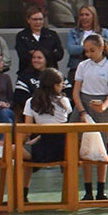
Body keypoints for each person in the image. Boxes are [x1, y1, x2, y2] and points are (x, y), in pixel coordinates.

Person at [72, 34, 108, 202]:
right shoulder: (83, 66)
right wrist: (82, 112)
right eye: (86, 51)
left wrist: (104, 106)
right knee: (85, 149)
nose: (89, 54)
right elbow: (76, 92)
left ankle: (101, 189)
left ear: (101, 48)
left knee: (101, 151)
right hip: (84, 106)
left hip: (102, 106)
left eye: (92, 50)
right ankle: (88, 190)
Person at [20, 68, 73, 201]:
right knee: (24, 152)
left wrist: (19, 143)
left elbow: (27, 130)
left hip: (41, 150)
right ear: (55, 85)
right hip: (63, 150)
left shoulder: (32, 102)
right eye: (61, 85)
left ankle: (21, 194)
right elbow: (57, 127)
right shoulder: (64, 102)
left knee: (12, 151)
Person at [13, 8, 64, 89]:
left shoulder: (51, 34)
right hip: (27, 75)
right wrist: (48, 53)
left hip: (50, 74)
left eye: (40, 19)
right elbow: (23, 56)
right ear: (28, 20)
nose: (38, 22)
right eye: (34, 19)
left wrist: (35, 53)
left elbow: (59, 54)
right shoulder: (22, 36)